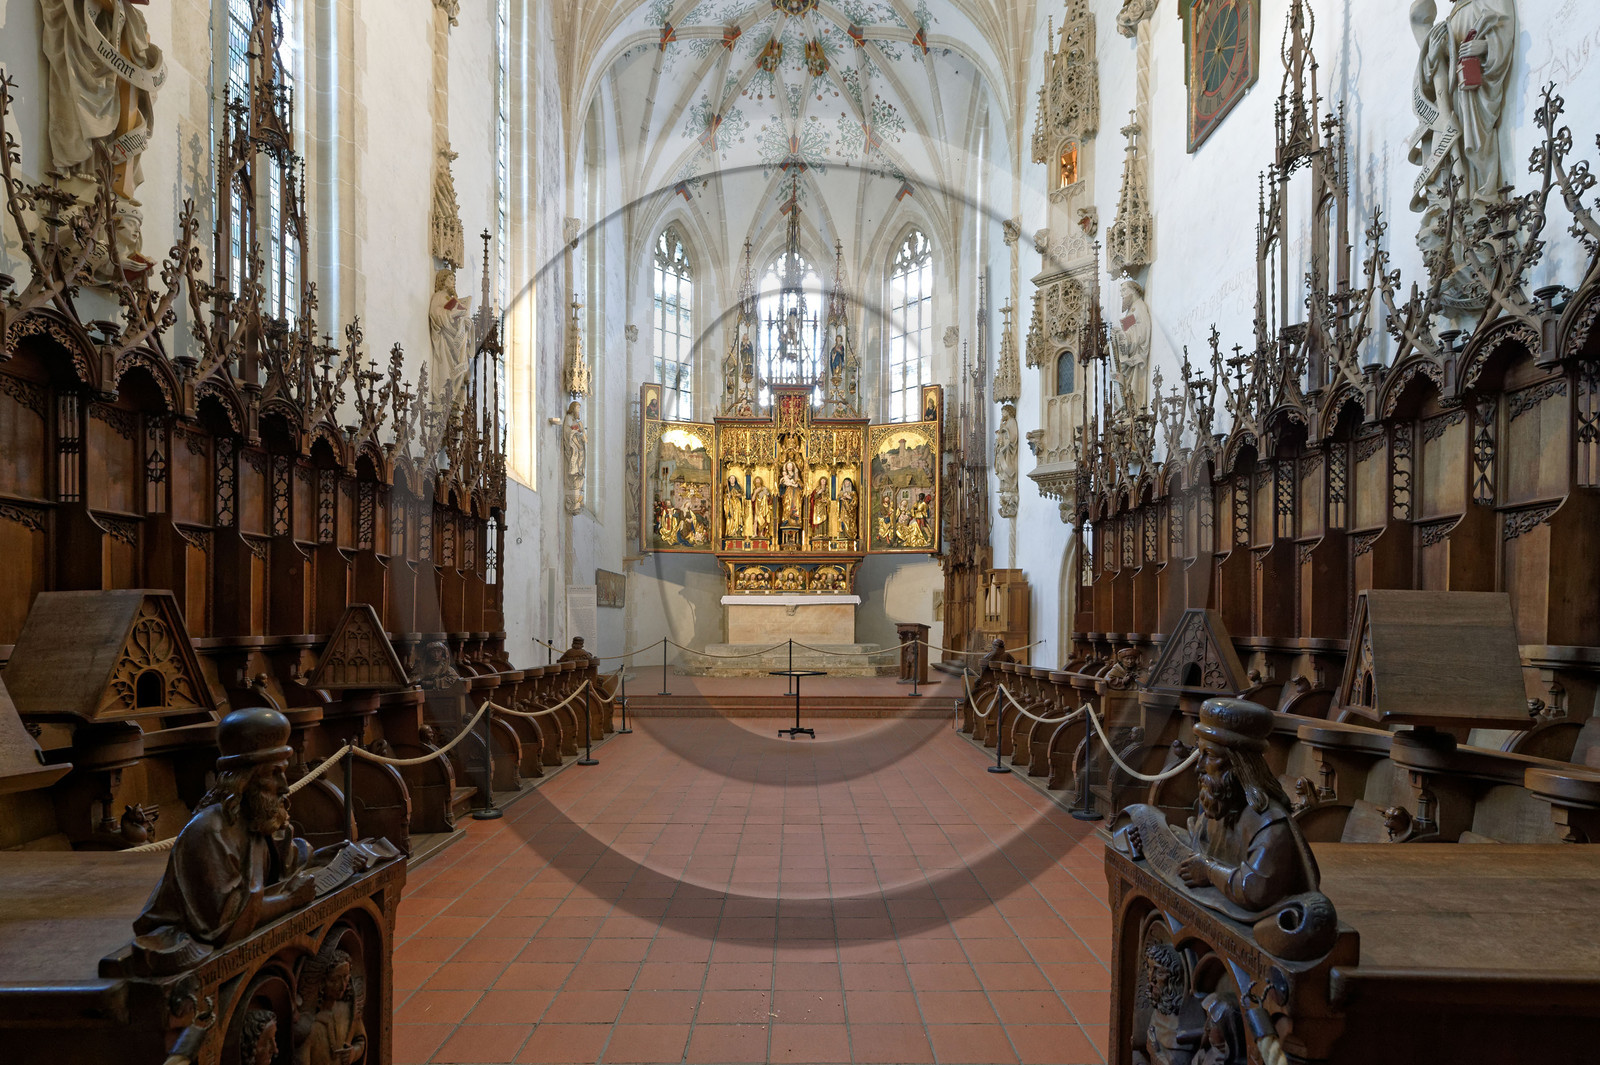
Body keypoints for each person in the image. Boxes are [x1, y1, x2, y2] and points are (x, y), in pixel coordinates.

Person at [133, 708, 317, 966]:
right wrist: (290, 900)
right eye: (273, 773)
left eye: (283, 772)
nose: (285, 786)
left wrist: (327, 855)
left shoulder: (255, 816)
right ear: (245, 779)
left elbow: (283, 866)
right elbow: (227, 924)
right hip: (187, 947)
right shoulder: (209, 831)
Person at [1176, 699, 1321, 912]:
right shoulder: (1221, 803)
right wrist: (1150, 836)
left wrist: (1209, 871)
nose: (1199, 766)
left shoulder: (1269, 826)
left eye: (1210, 756)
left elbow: (1255, 889)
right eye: (1200, 753)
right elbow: (1199, 849)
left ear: (1239, 764)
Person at [295, 948, 366, 1065]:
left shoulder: (348, 1010)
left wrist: (354, 1053)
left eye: (345, 977)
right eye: (335, 980)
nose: (342, 986)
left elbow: (360, 1040)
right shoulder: (310, 1026)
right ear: (322, 982)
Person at [428, 271, 474, 405]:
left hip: (456, 341)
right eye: (450, 279)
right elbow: (436, 314)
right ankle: (444, 396)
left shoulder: (451, 299)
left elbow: (457, 320)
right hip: (445, 341)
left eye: (454, 279)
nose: (454, 282)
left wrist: (466, 322)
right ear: (443, 281)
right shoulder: (439, 296)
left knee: (458, 371)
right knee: (445, 372)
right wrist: (453, 314)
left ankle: (454, 396)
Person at [807, 473, 832, 544]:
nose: (823, 482)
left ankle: (824, 534)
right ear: (820, 481)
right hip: (817, 507)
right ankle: (817, 534)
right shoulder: (817, 489)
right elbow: (813, 497)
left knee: (824, 519)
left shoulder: (827, 489)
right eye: (822, 481)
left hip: (823, 506)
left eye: (824, 481)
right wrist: (819, 493)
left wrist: (826, 500)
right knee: (817, 520)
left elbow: (829, 498)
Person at [722, 473, 747, 540]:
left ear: (735, 480)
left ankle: (737, 532)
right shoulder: (727, 489)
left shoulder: (738, 487)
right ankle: (730, 532)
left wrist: (738, 495)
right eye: (731, 478)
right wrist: (727, 497)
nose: (732, 480)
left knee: (737, 517)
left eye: (733, 478)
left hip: (737, 505)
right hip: (730, 505)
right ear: (729, 480)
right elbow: (725, 497)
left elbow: (742, 496)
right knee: (731, 518)